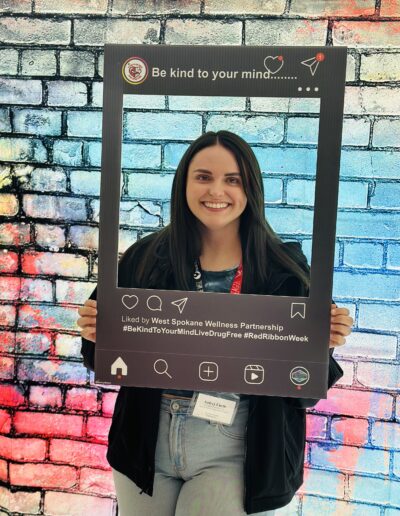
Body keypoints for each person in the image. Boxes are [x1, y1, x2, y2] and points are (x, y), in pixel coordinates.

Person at [77, 130, 353, 515]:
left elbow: (303, 392)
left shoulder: (284, 271)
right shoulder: (144, 257)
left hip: (235, 444)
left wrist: (320, 347)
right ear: (184, 184)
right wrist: (95, 333)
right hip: (147, 438)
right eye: (203, 176)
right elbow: (103, 361)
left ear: (250, 189)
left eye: (232, 179)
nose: (216, 190)